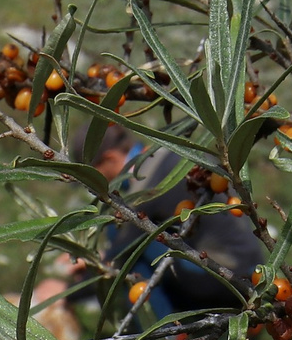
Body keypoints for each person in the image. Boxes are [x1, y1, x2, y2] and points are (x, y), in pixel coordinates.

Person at [83, 125, 261, 324]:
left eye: (94, 173)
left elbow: (119, 253)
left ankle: (164, 337)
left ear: (110, 159)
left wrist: (68, 286)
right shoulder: (168, 155)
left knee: (134, 248)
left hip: (227, 277)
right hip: (250, 272)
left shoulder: (149, 185)